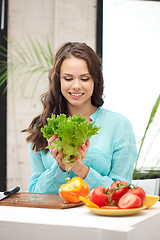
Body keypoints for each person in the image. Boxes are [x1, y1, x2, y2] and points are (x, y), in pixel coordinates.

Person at [23, 42, 137, 194]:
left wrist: (80, 168)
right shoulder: (42, 125)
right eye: (68, 78)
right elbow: (35, 194)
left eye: (84, 79)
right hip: (51, 217)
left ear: (95, 81)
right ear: (58, 81)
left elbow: (121, 191)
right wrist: (61, 167)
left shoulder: (119, 125)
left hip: (100, 217)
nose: (76, 86)